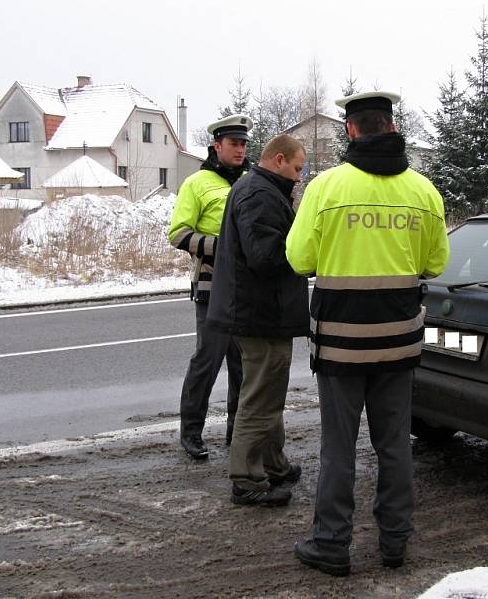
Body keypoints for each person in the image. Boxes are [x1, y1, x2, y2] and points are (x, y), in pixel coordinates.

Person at [286, 91, 450, 576]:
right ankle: (395, 541)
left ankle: (331, 544)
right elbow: (435, 263)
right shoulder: (423, 191)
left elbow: (299, 259)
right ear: (392, 126)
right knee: (395, 443)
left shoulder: (326, 187)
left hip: (340, 344)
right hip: (400, 341)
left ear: (351, 130)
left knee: (338, 446)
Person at [207, 135, 309, 507]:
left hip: (262, 312)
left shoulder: (261, 190)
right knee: (260, 397)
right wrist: (304, 246)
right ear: (278, 160)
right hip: (261, 314)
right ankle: (246, 478)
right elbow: (265, 256)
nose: (299, 177)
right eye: (297, 168)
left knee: (269, 393)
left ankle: (272, 463)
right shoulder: (259, 195)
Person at [168, 114, 253, 459]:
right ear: (217, 146)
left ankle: (238, 434)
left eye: (244, 144)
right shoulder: (198, 183)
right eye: (234, 143)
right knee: (207, 359)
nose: (240, 149)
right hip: (211, 286)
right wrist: (222, 247)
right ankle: (191, 433)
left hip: (248, 288)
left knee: (243, 364)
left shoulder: (250, 182)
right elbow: (178, 233)